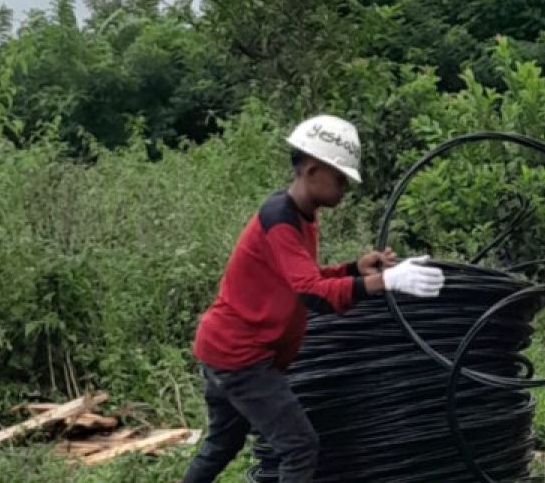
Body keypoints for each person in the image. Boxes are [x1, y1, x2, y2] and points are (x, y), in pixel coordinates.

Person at [182, 115, 444, 483]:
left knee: (222, 445)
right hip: (241, 356)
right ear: (311, 169)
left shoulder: (301, 216)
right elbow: (311, 295)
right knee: (299, 447)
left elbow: (303, 278)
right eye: (339, 179)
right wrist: (385, 281)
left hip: (225, 348)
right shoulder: (280, 219)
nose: (343, 189)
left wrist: (355, 268)